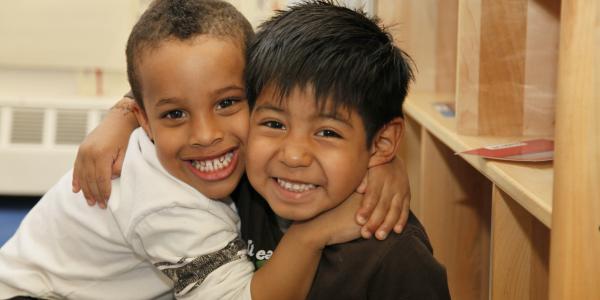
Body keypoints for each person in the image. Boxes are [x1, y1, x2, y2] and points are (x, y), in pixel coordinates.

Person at [0, 1, 388, 299]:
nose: (205, 135)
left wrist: (382, 165)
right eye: (175, 114)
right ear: (146, 120)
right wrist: (311, 235)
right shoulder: (168, 206)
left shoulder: (181, 150)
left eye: (226, 103)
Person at [235, 1, 452, 298]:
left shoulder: (396, 258)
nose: (293, 155)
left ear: (382, 143)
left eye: (327, 132)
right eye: (274, 124)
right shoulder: (235, 196)